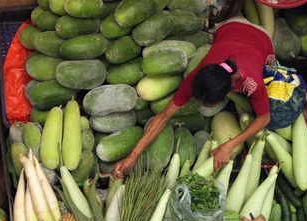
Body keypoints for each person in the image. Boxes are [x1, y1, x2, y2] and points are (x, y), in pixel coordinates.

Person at [113, 18, 275, 177]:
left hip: (262, 38)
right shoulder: (196, 77)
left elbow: (264, 118)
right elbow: (162, 117)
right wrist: (133, 155)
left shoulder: (253, 83)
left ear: (228, 93)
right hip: (230, 25)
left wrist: (229, 145)